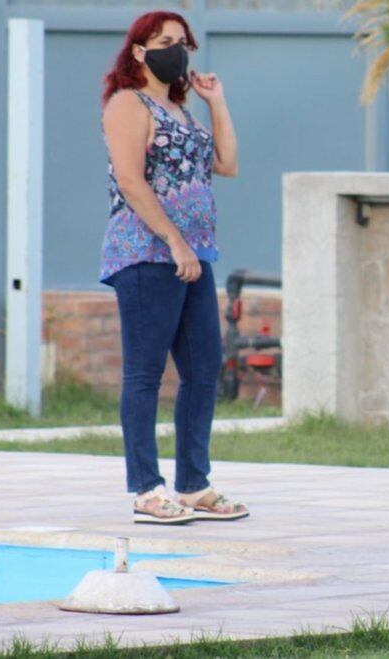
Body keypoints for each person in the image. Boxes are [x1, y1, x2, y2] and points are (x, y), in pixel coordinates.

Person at [100, 11, 247, 525]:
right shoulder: (127, 104)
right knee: (144, 373)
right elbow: (130, 181)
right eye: (165, 42)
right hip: (145, 254)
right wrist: (174, 243)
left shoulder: (181, 110)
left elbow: (227, 163)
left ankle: (192, 484)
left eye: (183, 44)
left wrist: (217, 101)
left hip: (194, 256)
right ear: (139, 51)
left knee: (204, 368)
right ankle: (145, 487)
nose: (177, 52)